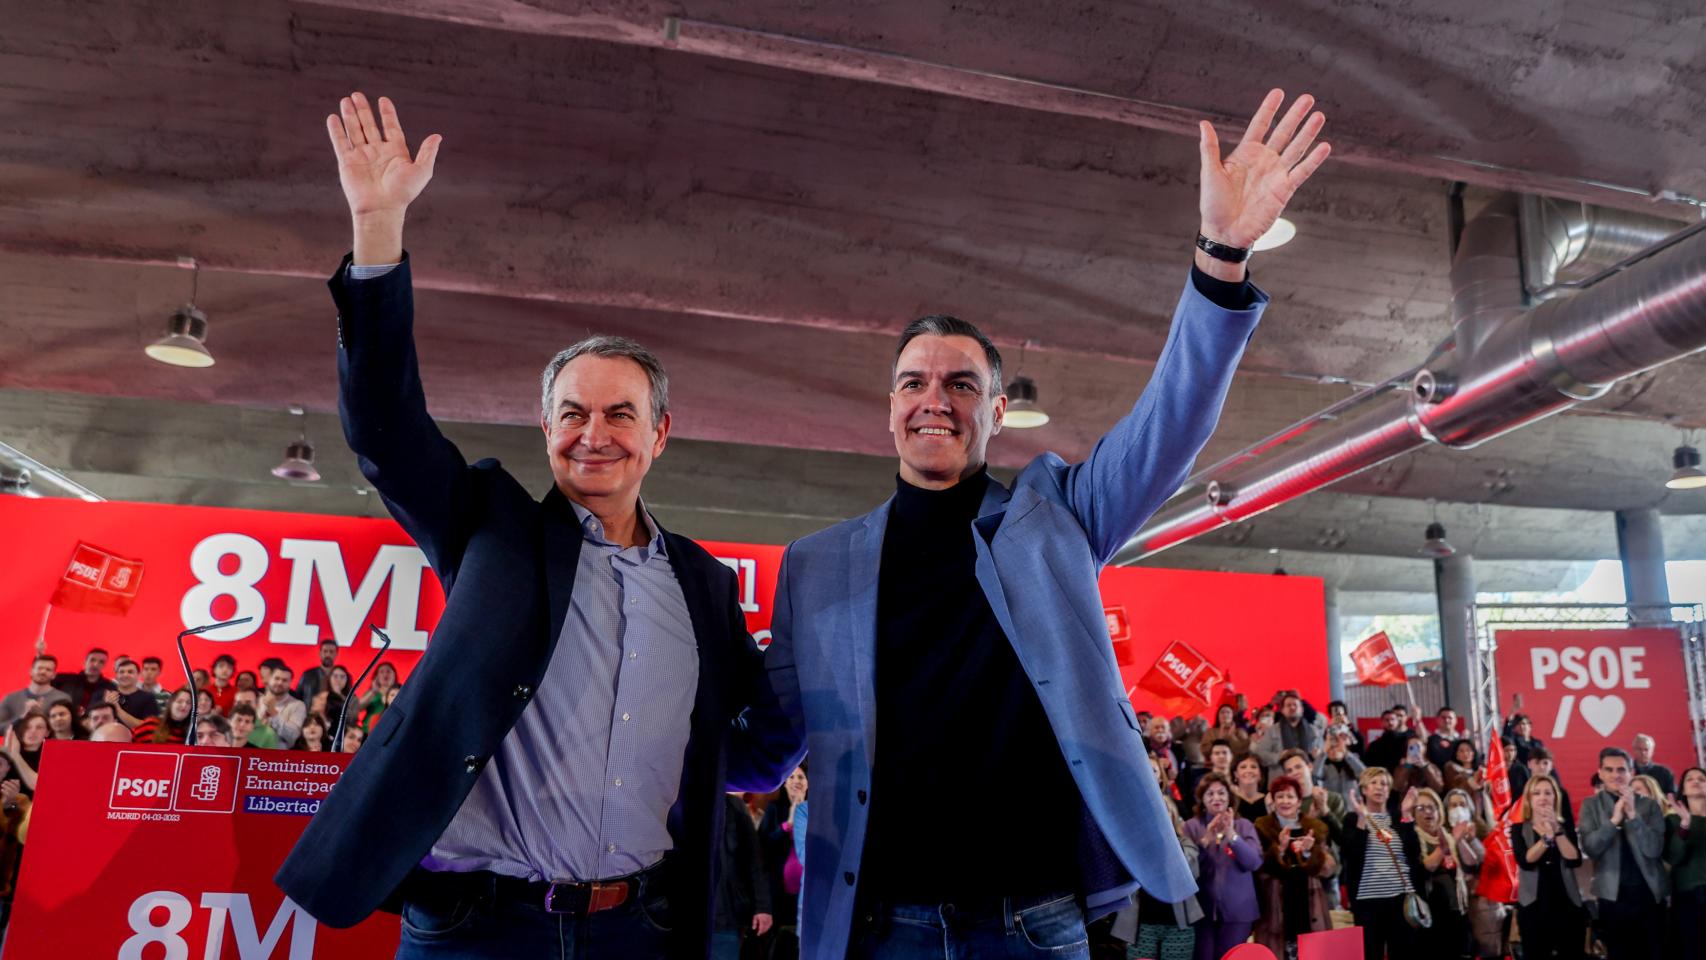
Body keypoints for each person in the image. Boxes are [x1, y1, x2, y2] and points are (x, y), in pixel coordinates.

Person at [732, 87, 1330, 959]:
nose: (934, 401)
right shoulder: (818, 564)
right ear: (889, 407)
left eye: (961, 385)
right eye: (914, 383)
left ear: (998, 411)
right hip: (876, 926)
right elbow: (768, 744)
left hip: (1034, 922)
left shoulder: (1058, 519)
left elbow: (1174, 422)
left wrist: (1221, 255)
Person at [276, 91, 778, 960]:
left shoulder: (702, 585)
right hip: (477, 930)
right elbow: (388, 435)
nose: (596, 434)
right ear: (546, 429)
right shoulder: (492, 531)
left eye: (621, 415)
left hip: (642, 929)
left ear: (658, 435)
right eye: (572, 413)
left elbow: (755, 747)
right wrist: (378, 229)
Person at [1579, 746, 1666, 960]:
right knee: (1620, 953)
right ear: (1600, 773)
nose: (1615, 775)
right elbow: (1591, 847)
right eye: (1609, 770)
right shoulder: (1590, 805)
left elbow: (1654, 849)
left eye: (1621, 770)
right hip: (1612, 894)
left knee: (1655, 953)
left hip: (1649, 892)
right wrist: (1614, 822)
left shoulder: (1649, 805)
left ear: (1631, 773)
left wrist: (1633, 816)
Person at [1111, 758, 1201, 960]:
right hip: (1140, 925)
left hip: (1178, 925)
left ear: (1173, 815)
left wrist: (1165, 844)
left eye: (1164, 810)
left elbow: (1191, 871)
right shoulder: (1132, 843)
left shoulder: (1185, 842)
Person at [1342, 766, 1423, 960]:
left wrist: (1407, 816)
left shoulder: (1397, 818)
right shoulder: (1353, 819)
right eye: (1374, 783)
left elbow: (1414, 854)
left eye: (1385, 784)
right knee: (1371, 953)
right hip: (1368, 900)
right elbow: (1351, 855)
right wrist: (1362, 819)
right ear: (1364, 789)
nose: (1380, 787)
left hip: (1401, 899)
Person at [1252, 774, 1335, 956]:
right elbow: (1258, 868)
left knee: (1311, 953)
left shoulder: (1315, 827)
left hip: (1309, 900)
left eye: (1290, 796)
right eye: (1280, 796)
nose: (1285, 801)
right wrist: (1279, 850)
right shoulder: (1262, 827)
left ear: (1299, 802)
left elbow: (1329, 869)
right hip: (1275, 902)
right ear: (1273, 801)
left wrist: (1309, 852)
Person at [1182, 773, 1262, 960]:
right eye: (1210, 794)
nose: (1216, 798)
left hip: (1238, 911)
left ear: (1230, 797)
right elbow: (1186, 870)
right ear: (1202, 799)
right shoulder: (1191, 827)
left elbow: (1253, 862)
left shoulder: (1244, 825)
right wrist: (1206, 840)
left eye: (1221, 793)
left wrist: (1232, 835)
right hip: (1201, 911)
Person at [1514, 774, 1584, 960]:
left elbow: (1574, 859)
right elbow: (1526, 861)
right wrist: (1546, 838)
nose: (1543, 797)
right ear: (1529, 798)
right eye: (1537, 793)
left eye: (1548, 793)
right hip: (1534, 905)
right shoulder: (1519, 828)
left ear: (1555, 797)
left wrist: (1556, 830)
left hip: (1566, 902)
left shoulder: (1565, 827)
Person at [1411, 787, 1481, 960]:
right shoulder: (1411, 838)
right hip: (1432, 916)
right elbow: (1424, 869)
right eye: (1421, 808)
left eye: (1432, 806)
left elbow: (1472, 863)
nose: (1428, 811)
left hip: (1458, 912)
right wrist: (1443, 849)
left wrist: (1461, 840)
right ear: (1413, 813)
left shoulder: (1448, 834)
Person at [711, 792, 774, 960]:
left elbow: (754, 860)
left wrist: (763, 907)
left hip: (725, 918)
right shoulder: (674, 801)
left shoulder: (733, 806)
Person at [1665, 768, 1706, 951]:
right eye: (1690, 779)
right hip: (1688, 895)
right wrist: (1685, 825)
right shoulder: (1673, 820)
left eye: (1701, 779)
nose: (1696, 781)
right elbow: (1674, 857)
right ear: (1683, 788)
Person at [1252, 693, 1322, 780]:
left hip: (1308, 778)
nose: (1292, 707)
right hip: (1280, 780)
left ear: (1302, 709)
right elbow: (1260, 753)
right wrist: (1279, 756)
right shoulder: (1272, 730)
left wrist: (1317, 756)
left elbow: (1322, 756)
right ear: (1282, 710)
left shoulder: (1313, 731)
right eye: (1288, 705)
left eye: (1295, 705)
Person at [0, 655, 72, 727]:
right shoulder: (10, 698)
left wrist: (40, 715)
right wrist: (22, 717)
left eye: (48, 669)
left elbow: (65, 729)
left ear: (54, 675)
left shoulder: (63, 698)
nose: (43, 672)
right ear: (31, 671)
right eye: (39, 668)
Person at [45, 645, 115, 715]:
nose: (95, 664)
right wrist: (39, 656)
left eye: (101, 662)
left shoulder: (109, 687)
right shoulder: (65, 679)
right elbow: (42, 680)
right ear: (85, 661)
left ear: (105, 665)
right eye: (92, 660)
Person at [1391, 731, 1444, 814]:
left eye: (1417, 747)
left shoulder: (1432, 767)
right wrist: (1407, 766)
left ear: (1424, 748)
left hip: (1428, 809)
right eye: (1411, 747)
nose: (1415, 750)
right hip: (1407, 810)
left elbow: (1438, 788)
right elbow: (1397, 787)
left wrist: (1424, 766)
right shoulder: (1402, 767)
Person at [257, 665, 307, 749]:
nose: (280, 683)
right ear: (269, 679)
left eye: (285, 680)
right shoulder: (256, 701)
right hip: (251, 754)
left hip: (280, 757)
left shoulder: (298, 705)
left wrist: (274, 714)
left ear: (290, 683)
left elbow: (294, 736)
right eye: (277, 678)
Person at [105, 657, 161, 730]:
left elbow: (149, 727)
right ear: (116, 675)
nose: (125, 675)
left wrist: (118, 710)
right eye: (121, 672)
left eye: (130, 672)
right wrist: (105, 707)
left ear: (138, 675)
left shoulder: (149, 698)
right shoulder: (105, 694)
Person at [1316, 725, 1366, 804]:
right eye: (1331, 747)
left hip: (1353, 810)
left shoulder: (1352, 759)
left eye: (1336, 746)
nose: (1334, 749)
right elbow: (1315, 777)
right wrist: (1323, 752)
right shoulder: (1322, 764)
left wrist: (1344, 751)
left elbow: (1364, 774)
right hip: (1332, 810)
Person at [3, 715, 49, 796]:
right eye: (27, 727)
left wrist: (16, 756)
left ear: (47, 732)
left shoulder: (51, 757)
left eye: (39, 727)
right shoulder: (7, 754)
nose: (33, 731)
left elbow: (40, 785)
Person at [294, 638, 341, 707]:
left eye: (331, 652)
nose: (328, 654)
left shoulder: (341, 676)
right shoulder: (308, 675)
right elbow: (298, 697)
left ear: (336, 654)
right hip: (309, 715)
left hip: (334, 716)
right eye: (325, 651)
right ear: (320, 653)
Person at [357, 661, 400, 735]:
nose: (385, 674)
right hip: (367, 731)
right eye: (381, 672)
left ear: (394, 674)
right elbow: (358, 707)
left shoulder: (400, 692)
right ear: (376, 676)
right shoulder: (372, 693)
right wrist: (373, 691)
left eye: (388, 671)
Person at [1630, 734, 1675, 798]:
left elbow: (1671, 795)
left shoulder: (1664, 772)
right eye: (1639, 749)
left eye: (1646, 749)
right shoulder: (1627, 771)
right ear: (1634, 750)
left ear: (1652, 751)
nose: (1643, 753)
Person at [1232, 754, 1269, 823]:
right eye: (1243, 767)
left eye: (1253, 767)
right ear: (1236, 774)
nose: (1249, 770)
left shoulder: (1269, 800)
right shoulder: (1230, 800)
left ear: (1260, 774)